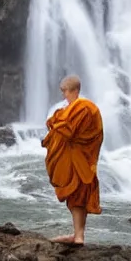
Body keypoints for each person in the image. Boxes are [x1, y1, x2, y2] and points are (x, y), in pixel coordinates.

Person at [41, 75, 104, 245]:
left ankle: (78, 236)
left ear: (75, 90)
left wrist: (54, 120)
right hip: (83, 160)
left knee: (77, 196)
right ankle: (78, 234)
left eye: (66, 92)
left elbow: (68, 130)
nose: (64, 96)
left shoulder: (82, 107)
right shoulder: (85, 108)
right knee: (78, 197)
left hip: (79, 160)